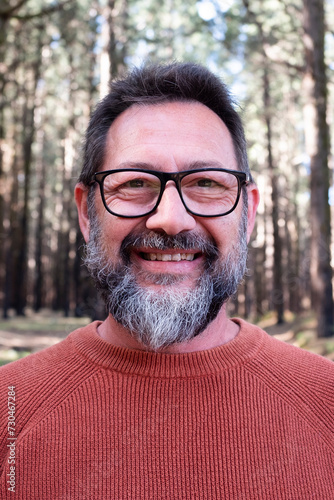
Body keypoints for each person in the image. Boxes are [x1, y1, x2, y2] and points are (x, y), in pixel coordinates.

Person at [0, 62, 333, 499]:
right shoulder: (11, 408)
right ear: (87, 212)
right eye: (135, 182)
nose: (170, 219)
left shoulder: (326, 402)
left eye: (207, 183)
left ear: (248, 213)